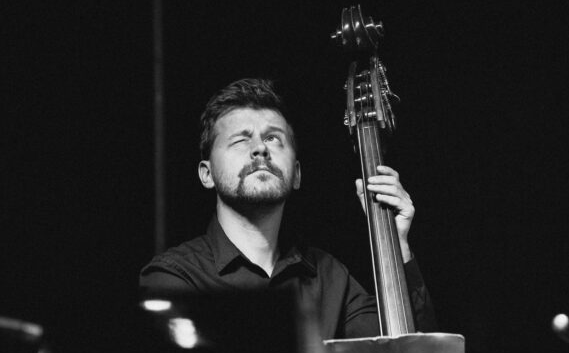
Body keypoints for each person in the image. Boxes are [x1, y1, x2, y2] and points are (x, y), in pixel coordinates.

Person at [140, 78, 436, 339]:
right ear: (207, 174)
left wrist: (397, 245)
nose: (260, 148)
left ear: (296, 174)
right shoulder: (175, 277)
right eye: (241, 140)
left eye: (273, 138)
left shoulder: (330, 277)